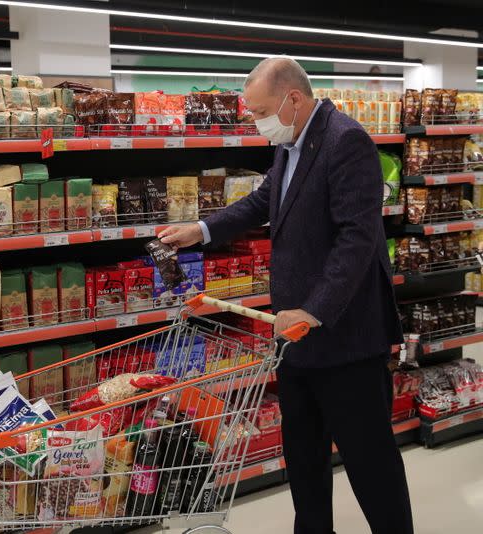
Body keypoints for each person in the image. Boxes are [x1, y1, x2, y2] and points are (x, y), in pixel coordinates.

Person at [159, 57, 413, 534]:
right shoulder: (290, 143)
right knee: (304, 461)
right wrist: (202, 229)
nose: (258, 124)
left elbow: (358, 239)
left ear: (293, 99)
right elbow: (264, 199)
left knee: (370, 463)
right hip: (292, 337)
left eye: (259, 112)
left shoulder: (346, 140)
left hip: (344, 337)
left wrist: (314, 310)